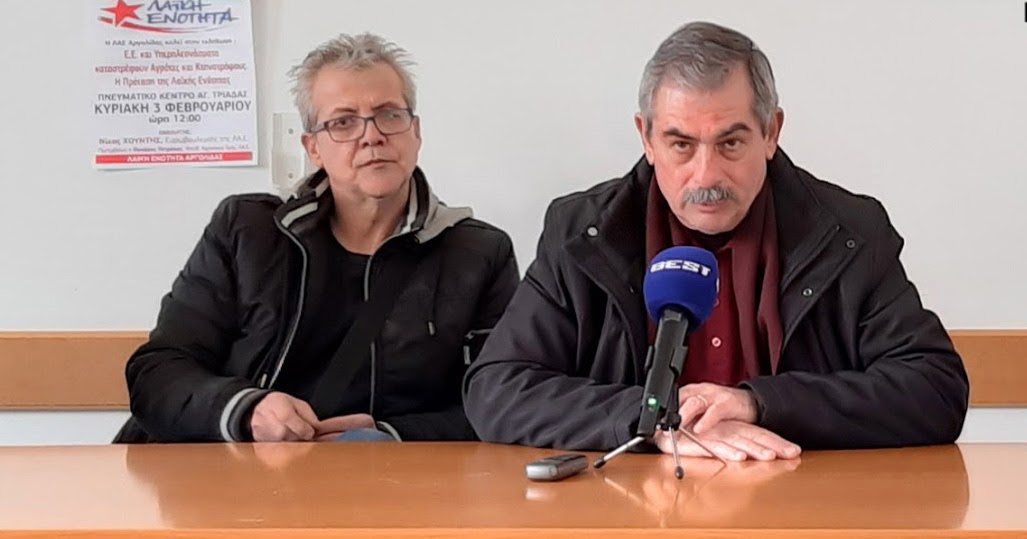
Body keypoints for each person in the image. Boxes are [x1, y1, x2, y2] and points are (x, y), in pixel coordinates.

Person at [463, 21, 968, 460]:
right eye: (681, 144)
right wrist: (653, 419)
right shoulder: (581, 233)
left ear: (771, 133)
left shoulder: (849, 232)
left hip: (798, 498)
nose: (706, 175)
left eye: (730, 143)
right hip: (632, 503)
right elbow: (496, 389)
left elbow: (935, 388)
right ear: (646, 138)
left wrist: (759, 404)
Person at [115, 32, 519, 443]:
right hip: (240, 470)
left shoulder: (479, 254)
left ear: (415, 132)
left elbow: (500, 398)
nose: (372, 136)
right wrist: (246, 410)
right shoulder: (246, 231)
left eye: (389, 114)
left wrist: (390, 436)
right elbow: (158, 373)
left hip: (387, 475)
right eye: (343, 122)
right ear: (314, 148)